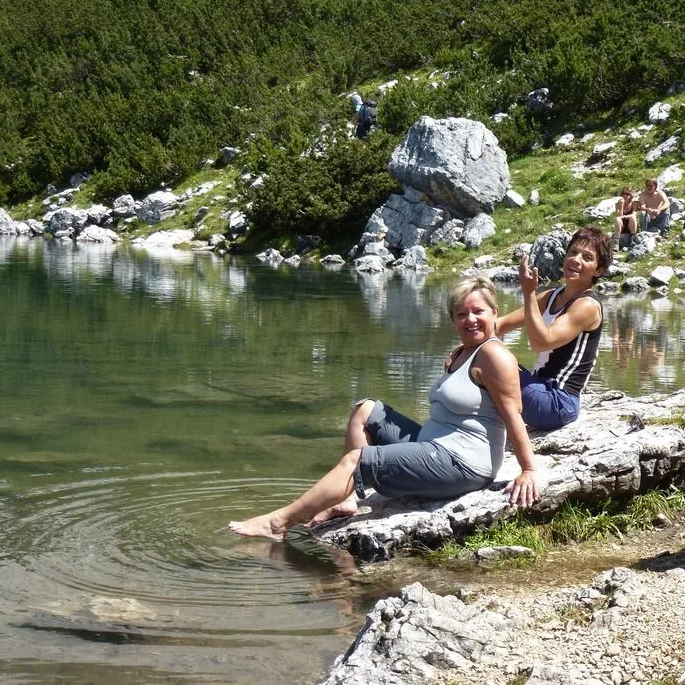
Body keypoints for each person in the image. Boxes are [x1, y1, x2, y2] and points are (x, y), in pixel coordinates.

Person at [228, 277, 541, 542]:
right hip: (434, 447)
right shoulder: (463, 352)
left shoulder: (495, 356)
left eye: (478, 312)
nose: (470, 319)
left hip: (463, 465)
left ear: (494, 313)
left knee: (357, 461)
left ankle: (277, 524)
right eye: (461, 314)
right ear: (453, 319)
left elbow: (513, 413)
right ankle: (347, 500)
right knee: (365, 410)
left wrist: (528, 469)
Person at [496, 226, 611, 431]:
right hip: (539, 387)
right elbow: (500, 325)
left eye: (587, 257)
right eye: (573, 252)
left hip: (558, 401)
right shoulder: (552, 296)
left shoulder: (587, 306)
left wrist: (529, 293)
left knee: (491, 363)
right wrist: (465, 347)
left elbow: (541, 342)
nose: (576, 260)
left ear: (598, 270)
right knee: (482, 358)